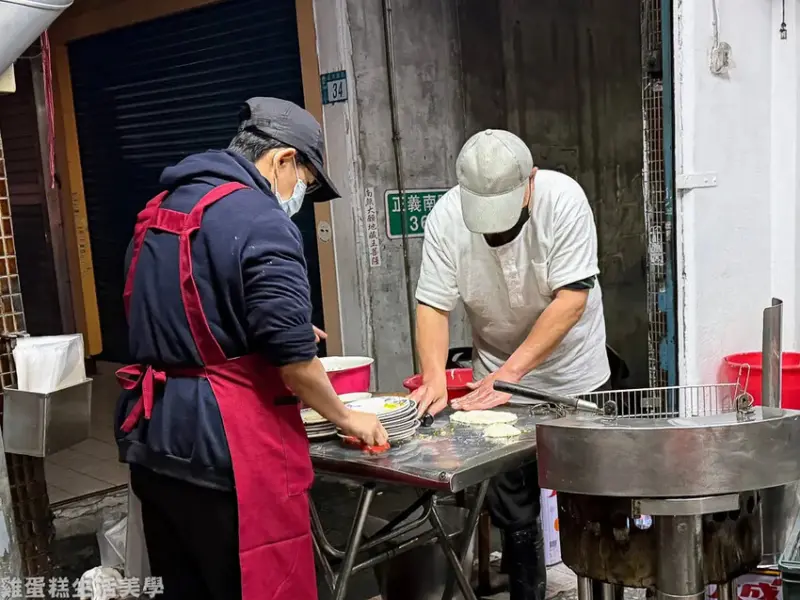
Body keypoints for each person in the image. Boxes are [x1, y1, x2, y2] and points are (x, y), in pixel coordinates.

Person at [115, 97, 387, 600]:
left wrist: (283, 328)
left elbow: (180, 314)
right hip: (226, 446)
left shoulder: (157, 210)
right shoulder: (260, 218)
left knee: (186, 585)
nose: (298, 195)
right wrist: (347, 417)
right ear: (283, 159)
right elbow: (295, 365)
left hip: (154, 441)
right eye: (305, 181)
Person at [411, 129, 610, 600]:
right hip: (494, 375)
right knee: (513, 506)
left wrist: (513, 374)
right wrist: (435, 376)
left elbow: (571, 300)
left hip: (571, 371)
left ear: (530, 182)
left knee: (589, 500)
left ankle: (597, 588)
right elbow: (433, 305)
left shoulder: (563, 201)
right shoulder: (445, 218)